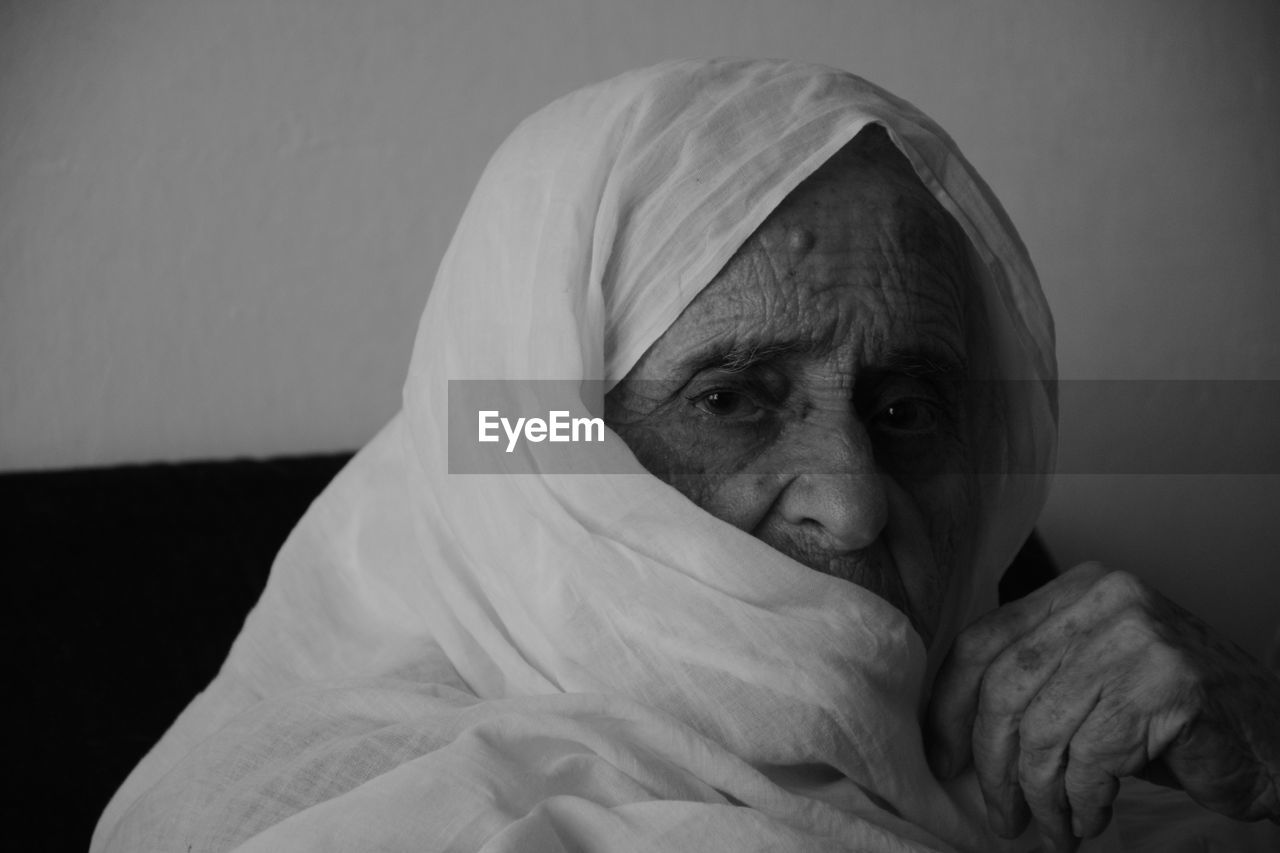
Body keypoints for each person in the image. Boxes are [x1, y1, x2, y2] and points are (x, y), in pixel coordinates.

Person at [93, 58, 1278, 853]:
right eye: (728, 400)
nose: (854, 505)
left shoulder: (1095, 776)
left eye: (908, 407)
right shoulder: (344, 817)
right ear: (559, 465)